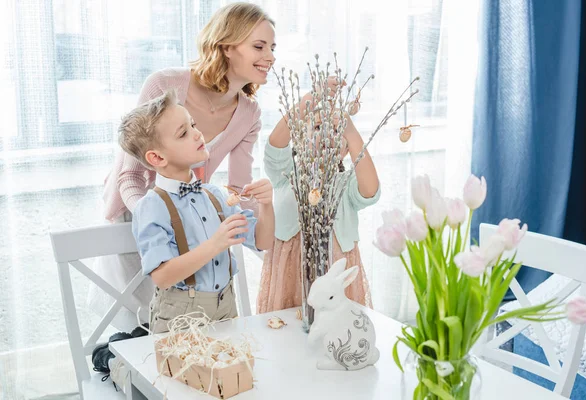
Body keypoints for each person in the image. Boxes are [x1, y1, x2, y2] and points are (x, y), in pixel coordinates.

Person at [88, 2, 276, 330]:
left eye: (272, 47)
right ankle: (120, 361)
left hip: (191, 208)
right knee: (143, 317)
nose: (270, 56)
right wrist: (161, 211)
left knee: (186, 314)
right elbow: (129, 175)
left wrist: (259, 219)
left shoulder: (249, 113)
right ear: (227, 46)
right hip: (138, 209)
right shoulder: (165, 85)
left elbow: (237, 191)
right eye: (259, 46)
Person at [120, 89, 274, 332]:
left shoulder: (214, 195)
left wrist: (266, 204)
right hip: (180, 322)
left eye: (192, 124)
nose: (197, 134)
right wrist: (216, 243)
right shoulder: (151, 207)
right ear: (157, 158)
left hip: (227, 311)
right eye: (183, 133)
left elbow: (263, 240)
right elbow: (163, 276)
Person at [257, 80, 381, 313]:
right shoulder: (286, 176)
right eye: (316, 128)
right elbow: (274, 145)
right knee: (289, 331)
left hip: (336, 274)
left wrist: (351, 132)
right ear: (298, 138)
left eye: (335, 131)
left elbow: (370, 190)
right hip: (291, 274)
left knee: (336, 331)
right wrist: (311, 98)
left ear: (346, 150)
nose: (325, 136)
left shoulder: (346, 185)